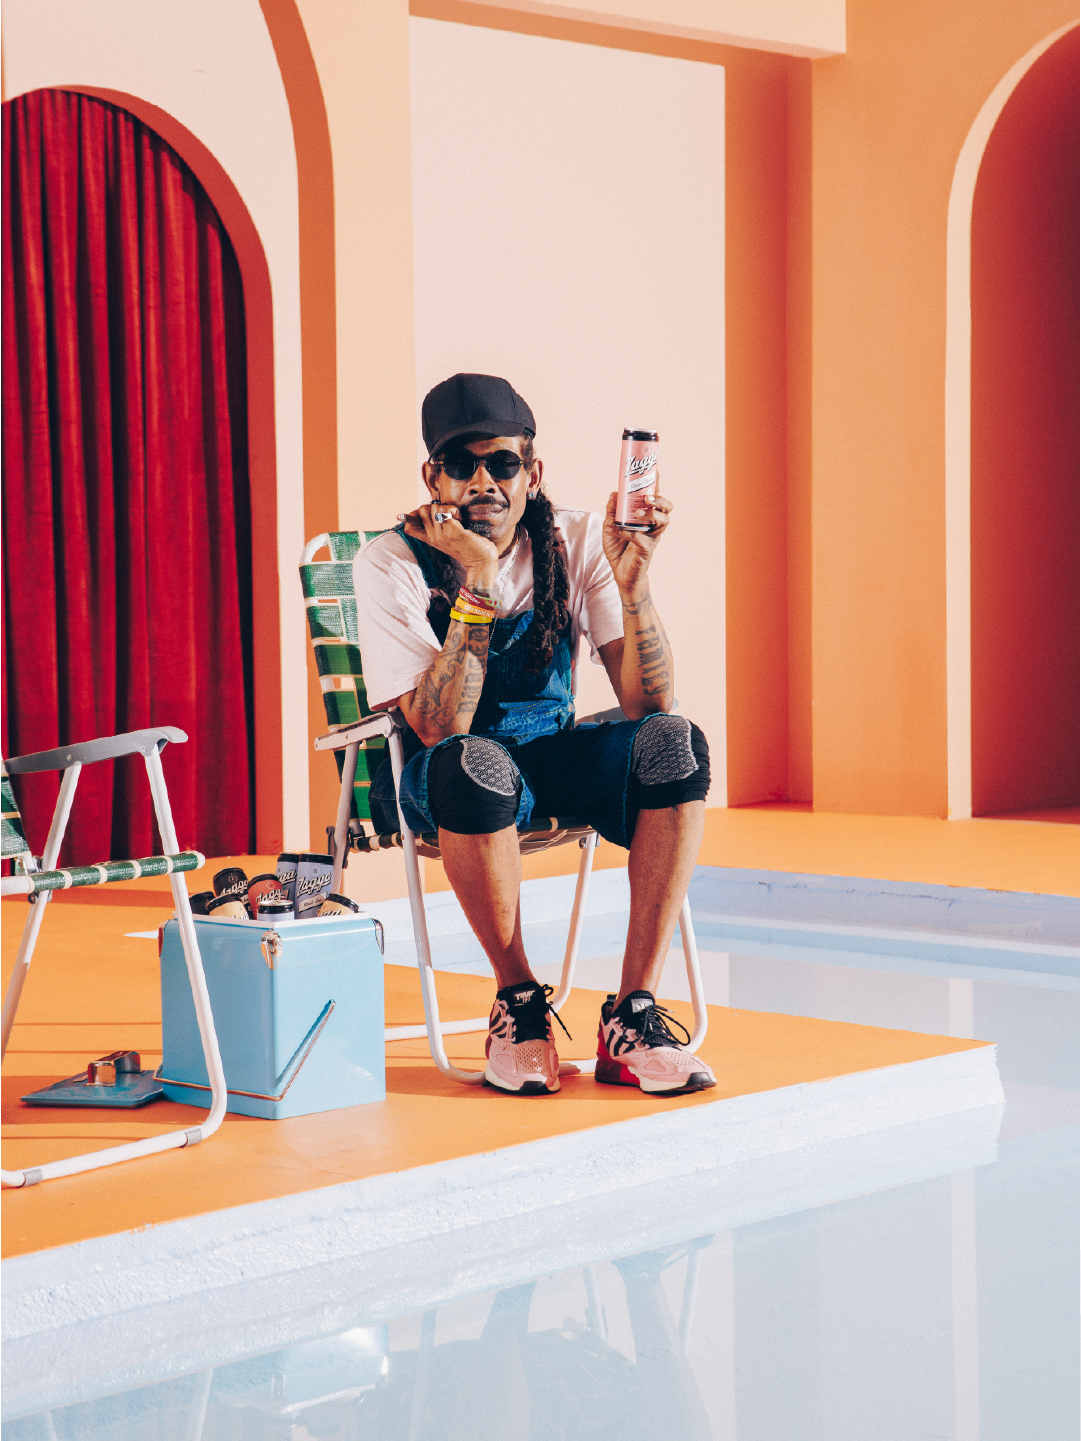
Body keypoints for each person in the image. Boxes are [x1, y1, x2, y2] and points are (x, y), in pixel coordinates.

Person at [355, 373, 715, 1097]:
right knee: (473, 762)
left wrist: (635, 584)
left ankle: (632, 1016)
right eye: (461, 463)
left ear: (533, 471)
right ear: (432, 477)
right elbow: (440, 727)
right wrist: (479, 577)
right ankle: (518, 1004)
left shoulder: (577, 540)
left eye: (502, 462)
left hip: (551, 755)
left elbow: (648, 702)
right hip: (443, 779)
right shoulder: (390, 561)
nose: (482, 481)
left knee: (675, 741)